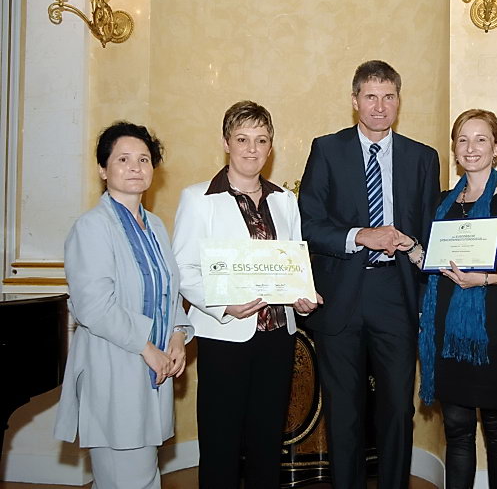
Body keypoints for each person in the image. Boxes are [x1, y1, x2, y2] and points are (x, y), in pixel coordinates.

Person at [298, 60, 440, 489]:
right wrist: (361, 235)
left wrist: (425, 289)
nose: (380, 106)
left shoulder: (423, 157)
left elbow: (431, 231)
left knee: (397, 409)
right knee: (343, 412)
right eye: (371, 96)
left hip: (397, 295)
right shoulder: (327, 149)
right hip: (341, 294)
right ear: (355, 100)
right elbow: (308, 224)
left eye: (388, 96)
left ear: (399, 100)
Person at [399, 108, 497, 488]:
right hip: (446, 331)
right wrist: (411, 248)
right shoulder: (443, 203)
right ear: (454, 148)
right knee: (457, 429)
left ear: (496, 147)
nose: (471, 148)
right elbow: (436, 263)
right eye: (463, 140)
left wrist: (483, 279)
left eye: (481, 139)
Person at [172, 101, 318, 488]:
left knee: (267, 442)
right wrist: (224, 305)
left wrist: (302, 297)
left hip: (278, 337)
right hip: (224, 335)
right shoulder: (198, 198)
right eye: (242, 139)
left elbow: (293, 265)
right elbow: (182, 269)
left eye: (261, 140)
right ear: (226, 143)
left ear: (271, 146)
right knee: (220, 442)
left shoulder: (285, 200)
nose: (252, 149)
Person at [54, 122, 193, 489]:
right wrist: (148, 348)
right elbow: (93, 306)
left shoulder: (156, 226)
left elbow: (169, 290)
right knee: (128, 477)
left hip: (153, 369)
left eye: (144, 159)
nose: (135, 167)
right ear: (103, 169)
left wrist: (178, 336)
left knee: (139, 475)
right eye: (123, 159)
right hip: (114, 366)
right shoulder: (92, 227)